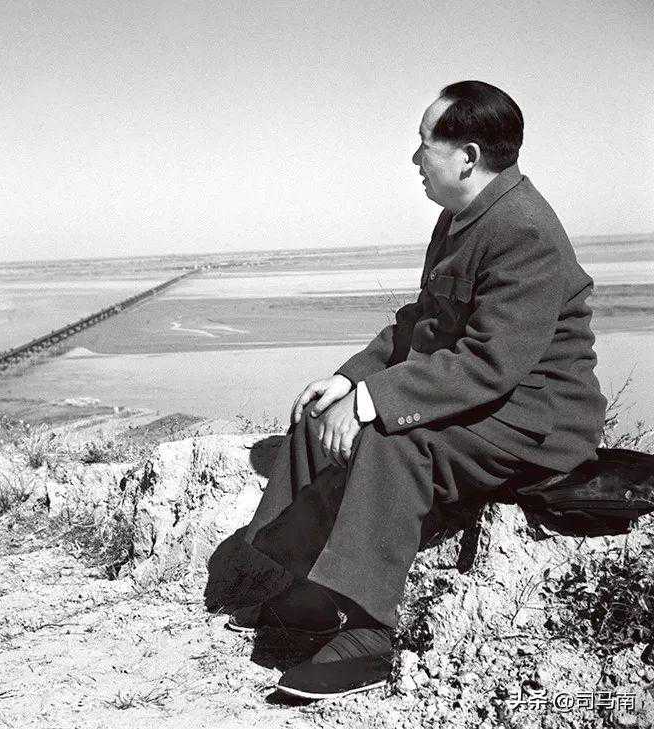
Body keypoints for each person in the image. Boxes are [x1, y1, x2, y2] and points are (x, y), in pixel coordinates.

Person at [225, 80, 607, 700]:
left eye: (425, 143)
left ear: (468, 157)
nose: (414, 158)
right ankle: (314, 590)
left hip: (535, 421)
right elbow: (423, 322)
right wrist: (350, 379)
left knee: (393, 441)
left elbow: (489, 362)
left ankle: (369, 636)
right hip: (486, 401)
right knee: (319, 414)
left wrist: (372, 403)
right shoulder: (461, 218)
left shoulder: (524, 230)